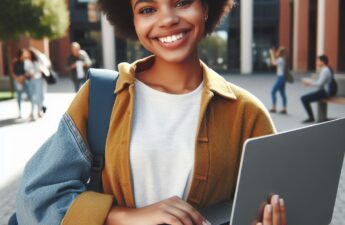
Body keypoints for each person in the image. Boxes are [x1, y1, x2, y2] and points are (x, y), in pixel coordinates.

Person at [15, 1, 287, 225]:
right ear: (131, 19)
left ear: (205, 7)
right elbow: (37, 195)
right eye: (147, 9)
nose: (167, 19)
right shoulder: (100, 97)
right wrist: (123, 216)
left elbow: (270, 205)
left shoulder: (247, 112)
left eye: (182, 2)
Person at [301, 55, 333, 123]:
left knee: (304, 98)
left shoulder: (325, 70)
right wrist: (309, 81)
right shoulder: (325, 69)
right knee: (304, 98)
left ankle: (311, 117)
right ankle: (311, 117)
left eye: (318, 61)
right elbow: (319, 81)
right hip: (323, 91)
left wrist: (309, 83)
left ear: (322, 62)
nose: (317, 63)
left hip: (325, 92)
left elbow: (319, 83)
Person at [24, 49, 45, 120]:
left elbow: (42, 67)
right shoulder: (26, 61)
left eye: (28, 53)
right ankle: (32, 112)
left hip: (38, 80)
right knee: (32, 97)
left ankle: (39, 111)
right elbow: (26, 71)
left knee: (39, 96)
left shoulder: (37, 61)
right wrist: (30, 74)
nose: (27, 55)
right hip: (30, 81)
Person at [11, 49, 32, 118]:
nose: (25, 55)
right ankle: (20, 112)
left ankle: (32, 112)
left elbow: (27, 72)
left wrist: (23, 78)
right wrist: (17, 79)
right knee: (19, 97)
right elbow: (13, 72)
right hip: (17, 81)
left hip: (24, 80)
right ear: (20, 54)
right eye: (23, 54)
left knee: (30, 95)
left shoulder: (25, 62)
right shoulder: (15, 62)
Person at [269, 46, 287, 114]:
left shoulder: (280, 60)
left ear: (280, 53)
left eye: (277, 52)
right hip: (282, 78)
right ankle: (284, 108)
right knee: (282, 93)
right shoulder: (282, 59)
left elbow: (273, 63)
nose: (276, 53)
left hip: (280, 78)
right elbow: (275, 60)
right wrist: (273, 53)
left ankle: (274, 107)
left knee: (273, 92)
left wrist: (271, 54)